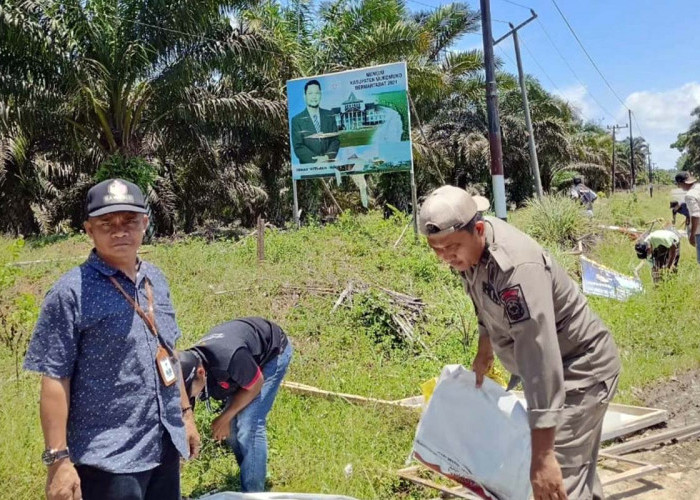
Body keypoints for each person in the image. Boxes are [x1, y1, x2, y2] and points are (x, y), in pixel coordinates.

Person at [419, 185, 621, 500]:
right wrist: (485, 351)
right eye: (436, 248)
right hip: (555, 369)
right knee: (574, 476)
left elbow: (539, 357)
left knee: (554, 483)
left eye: (451, 247)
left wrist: (542, 456)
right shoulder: (470, 252)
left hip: (579, 371)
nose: (445, 257)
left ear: (479, 229)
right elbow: (483, 303)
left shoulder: (516, 271)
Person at [23, 179, 200, 500]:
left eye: (129, 221)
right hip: (107, 458)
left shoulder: (155, 280)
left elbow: (168, 354)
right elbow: (54, 379)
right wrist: (58, 461)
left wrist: (185, 416)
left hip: (162, 444)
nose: (120, 230)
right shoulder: (70, 293)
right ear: (89, 230)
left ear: (145, 224)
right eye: (107, 223)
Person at [178, 317, 293, 492]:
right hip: (243, 365)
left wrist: (224, 417)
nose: (191, 398)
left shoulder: (229, 358)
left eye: (190, 393)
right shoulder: (189, 367)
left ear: (201, 373)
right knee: (231, 431)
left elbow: (256, 384)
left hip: (272, 354)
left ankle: (253, 494)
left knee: (249, 424)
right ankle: (254, 470)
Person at [291, 79, 340, 164]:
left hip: (329, 166)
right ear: (305, 96)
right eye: (310, 93)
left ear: (320, 95)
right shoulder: (297, 120)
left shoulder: (329, 115)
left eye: (317, 93)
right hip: (308, 169)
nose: (314, 97)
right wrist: (316, 160)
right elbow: (298, 146)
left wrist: (327, 157)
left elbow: (335, 140)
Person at [675, 171, 700, 263]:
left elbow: (696, 215)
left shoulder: (690, 195)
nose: (679, 187)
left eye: (679, 184)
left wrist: (692, 235)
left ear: (682, 183)